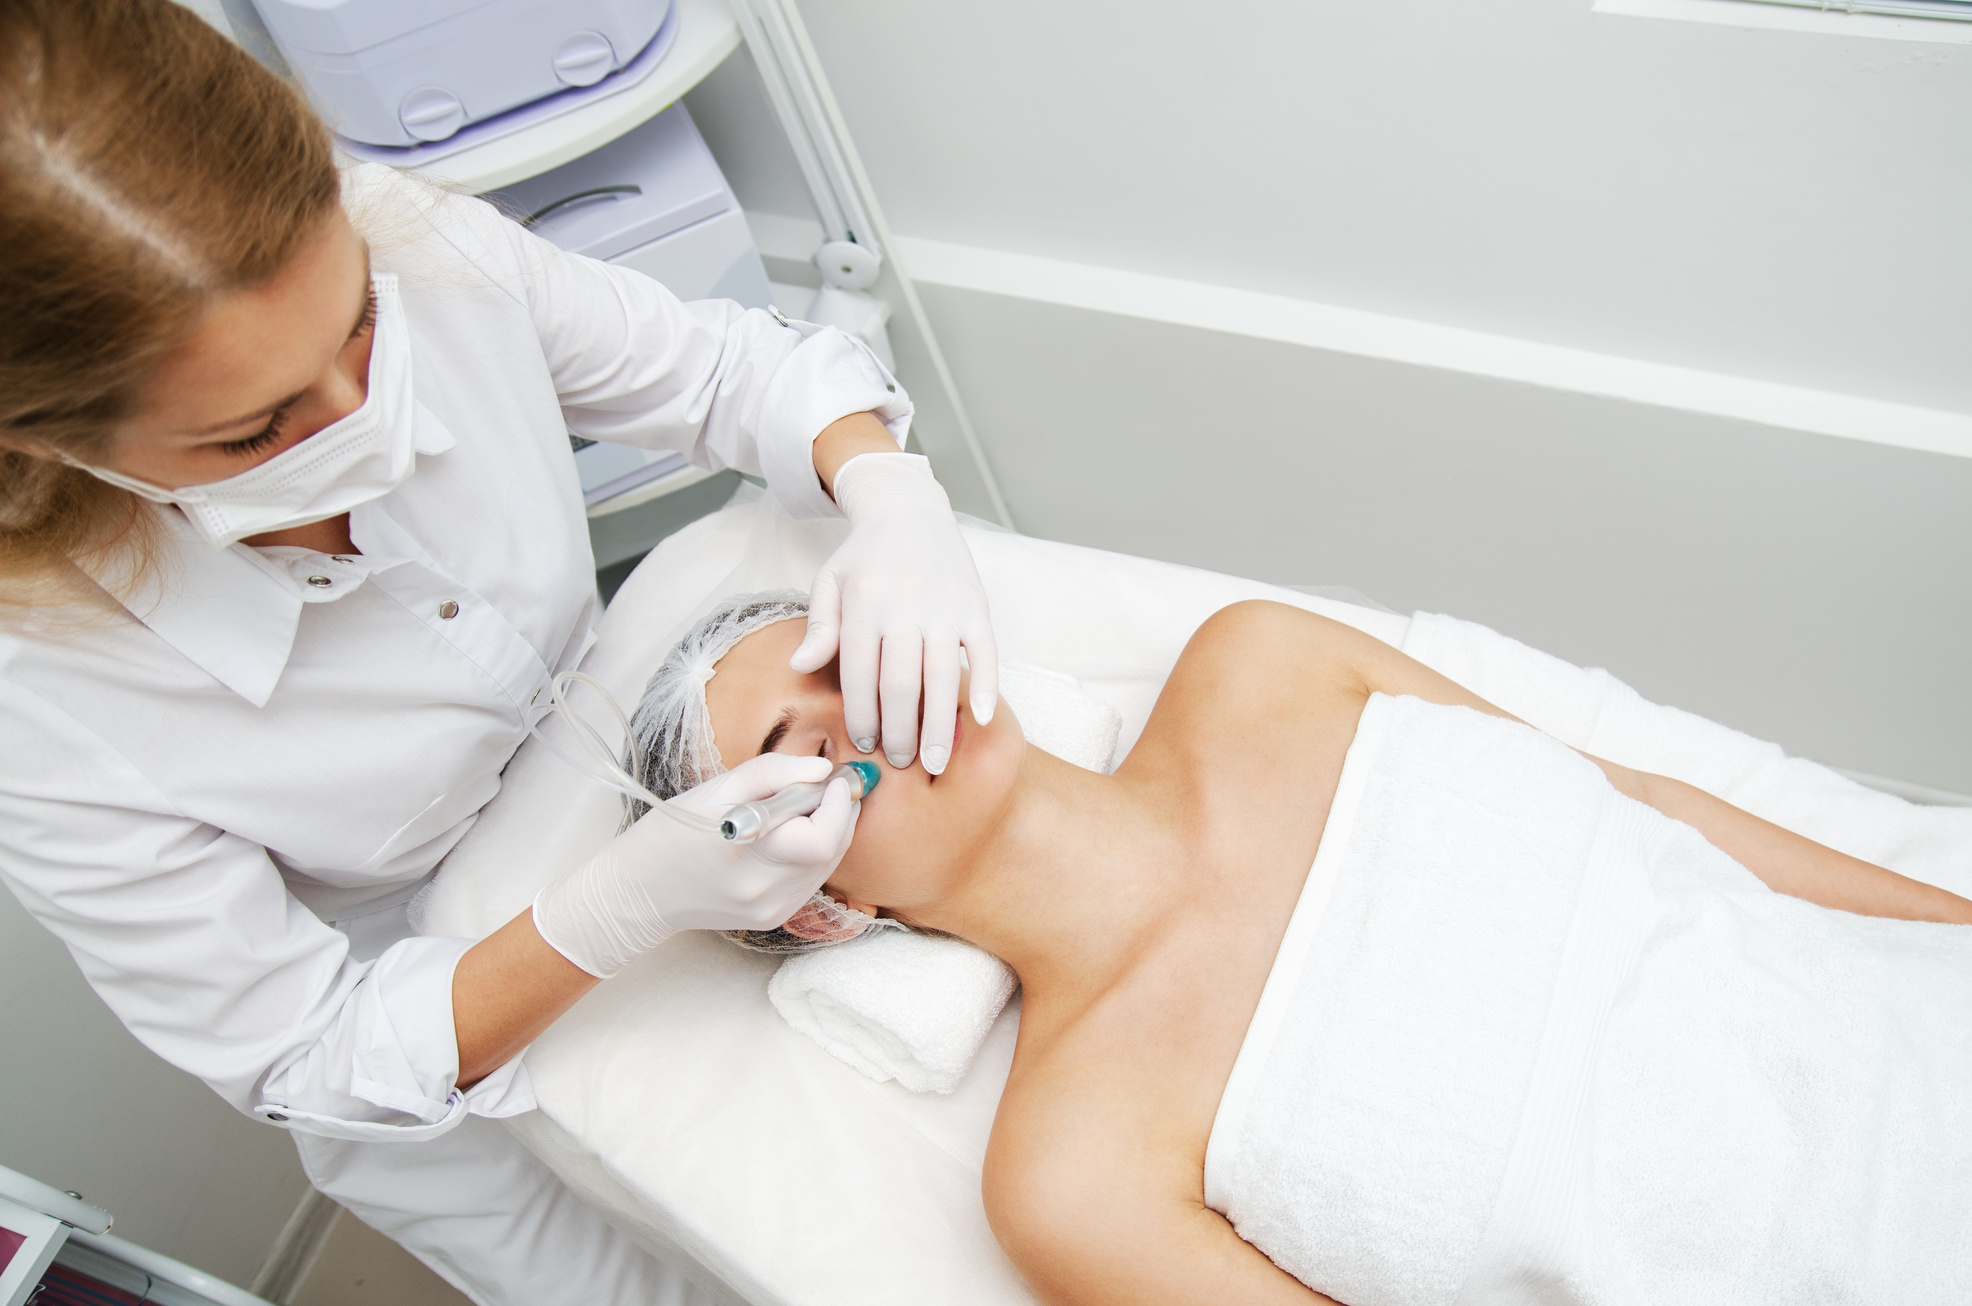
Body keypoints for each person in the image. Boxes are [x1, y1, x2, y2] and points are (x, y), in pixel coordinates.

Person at [0, 3, 998, 1302]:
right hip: (439, 1044)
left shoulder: (403, 229)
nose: (364, 411)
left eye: (359, 321)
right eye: (255, 429)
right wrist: (615, 906)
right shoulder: (45, 698)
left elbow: (719, 374)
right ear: (41, 446)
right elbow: (305, 1049)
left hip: (644, 782)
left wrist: (890, 492)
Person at [664, 591, 1972, 1305]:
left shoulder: (1264, 665)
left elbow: (1658, 808)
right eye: (793, 763)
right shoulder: (1076, 1171)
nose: (863, 716)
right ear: (820, 914)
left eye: (847, 660)